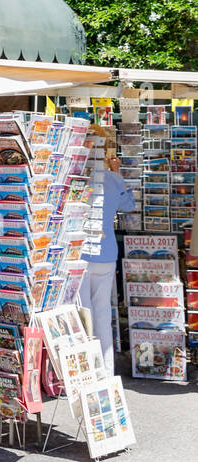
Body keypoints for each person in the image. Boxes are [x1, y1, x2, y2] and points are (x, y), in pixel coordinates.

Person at [83, 153, 135, 366]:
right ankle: (106, 368)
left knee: (84, 315)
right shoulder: (114, 179)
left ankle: (87, 367)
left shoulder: (79, 179)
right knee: (103, 313)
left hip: (83, 254)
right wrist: (117, 173)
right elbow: (129, 206)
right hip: (107, 253)